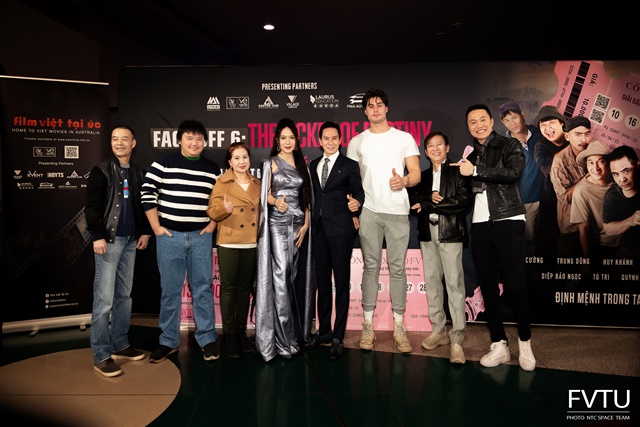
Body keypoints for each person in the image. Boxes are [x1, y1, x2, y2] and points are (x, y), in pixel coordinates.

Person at [451, 103, 535, 371]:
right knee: (488, 287)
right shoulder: (470, 154)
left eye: (482, 119)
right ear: (468, 127)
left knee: (517, 285)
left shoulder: (510, 145)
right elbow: (468, 191)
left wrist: (476, 171)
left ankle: (525, 343)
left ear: (491, 121)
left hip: (508, 219)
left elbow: (512, 173)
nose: (478, 125)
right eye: (472, 122)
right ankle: (499, 344)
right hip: (480, 224)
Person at [346, 87, 421, 354]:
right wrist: (354, 211)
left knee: (398, 268)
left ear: (386, 108)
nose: (375, 109)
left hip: (398, 211)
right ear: (365, 111)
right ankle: (367, 325)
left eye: (379, 104)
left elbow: (416, 173)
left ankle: (399, 326)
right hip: (369, 211)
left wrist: (404, 181)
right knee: (371, 267)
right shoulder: (357, 142)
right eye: (370, 105)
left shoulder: (404, 138)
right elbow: (352, 181)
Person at [141, 119, 221, 363]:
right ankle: (168, 341)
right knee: (170, 291)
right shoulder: (163, 162)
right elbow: (147, 192)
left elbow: (218, 201)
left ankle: (207, 339)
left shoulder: (212, 168)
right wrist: (156, 227)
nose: (195, 142)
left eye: (199, 138)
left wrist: (212, 225)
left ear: (204, 142)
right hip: (170, 237)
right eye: (189, 138)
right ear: (179, 140)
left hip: (200, 237)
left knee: (203, 289)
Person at [86, 125, 152, 377]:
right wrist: (97, 236)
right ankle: (101, 355)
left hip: (131, 242)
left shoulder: (139, 172)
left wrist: (144, 231)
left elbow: (143, 204)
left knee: (124, 297)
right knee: (103, 300)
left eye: (125, 139)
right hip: (108, 242)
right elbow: (92, 207)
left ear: (133, 143)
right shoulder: (101, 170)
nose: (119, 143)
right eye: (115, 139)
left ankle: (120, 344)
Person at [255, 117, 314, 362]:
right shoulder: (269, 163)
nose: (287, 142)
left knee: (291, 279)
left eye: (291, 137)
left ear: (296, 141)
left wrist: (306, 224)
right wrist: (275, 202)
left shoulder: (302, 165)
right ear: (277, 140)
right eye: (283, 138)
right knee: (280, 278)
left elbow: (306, 196)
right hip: (278, 225)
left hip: (298, 227)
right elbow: (265, 195)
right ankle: (281, 341)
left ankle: (292, 336)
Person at [409, 131, 470, 364]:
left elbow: (463, 201)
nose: (435, 149)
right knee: (433, 283)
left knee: (454, 285)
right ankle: (438, 330)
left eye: (439, 144)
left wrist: (435, 204)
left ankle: (457, 338)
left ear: (447, 147)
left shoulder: (458, 171)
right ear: (425, 151)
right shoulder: (422, 177)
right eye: (430, 146)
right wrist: (426, 201)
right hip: (427, 234)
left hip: (450, 233)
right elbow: (414, 202)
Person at [309, 121, 364, 360]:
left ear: (340, 140)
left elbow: (358, 191)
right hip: (318, 231)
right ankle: (324, 330)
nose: (330, 142)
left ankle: (338, 336)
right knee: (322, 283)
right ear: (319, 141)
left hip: (341, 231)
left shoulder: (349, 165)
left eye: (334, 138)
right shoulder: (313, 165)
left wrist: (357, 203)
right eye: (326, 138)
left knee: (341, 283)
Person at [206, 142, 260, 358]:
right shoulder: (222, 182)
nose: (241, 161)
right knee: (228, 288)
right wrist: (223, 208)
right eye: (236, 158)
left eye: (244, 157)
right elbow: (212, 211)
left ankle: (240, 331)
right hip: (229, 241)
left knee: (244, 288)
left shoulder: (257, 183)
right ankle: (229, 335)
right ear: (230, 162)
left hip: (251, 241)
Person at [498, 102, 545, 255]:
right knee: (530, 241)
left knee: (550, 237)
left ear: (522, 116)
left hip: (549, 197)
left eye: (514, 117)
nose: (512, 123)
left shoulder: (540, 133)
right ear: (503, 123)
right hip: (526, 200)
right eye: (507, 120)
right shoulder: (504, 146)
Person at [570, 140, 618, 274]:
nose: (595, 168)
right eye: (591, 162)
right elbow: (583, 228)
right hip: (603, 244)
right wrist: (587, 259)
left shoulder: (618, 179)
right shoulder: (581, 191)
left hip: (627, 240)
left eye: (601, 161)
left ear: (609, 163)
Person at [550, 116, 592, 259]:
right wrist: (589, 176)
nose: (583, 139)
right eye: (578, 134)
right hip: (571, 224)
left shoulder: (595, 153)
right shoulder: (559, 161)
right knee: (567, 265)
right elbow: (565, 199)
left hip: (594, 221)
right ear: (567, 136)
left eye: (587, 134)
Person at [532, 105, 568, 264]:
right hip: (550, 201)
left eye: (551, 123)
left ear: (561, 123)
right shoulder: (541, 146)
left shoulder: (572, 139)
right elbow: (547, 168)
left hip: (574, 201)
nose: (548, 129)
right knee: (548, 246)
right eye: (543, 125)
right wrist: (572, 148)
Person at [603, 145, 640, 265]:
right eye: (616, 174)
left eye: (626, 171)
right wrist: (631, 221)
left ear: (638, 166)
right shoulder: (612, 196)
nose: (622, 179)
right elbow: (608, 229)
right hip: (629, 250)